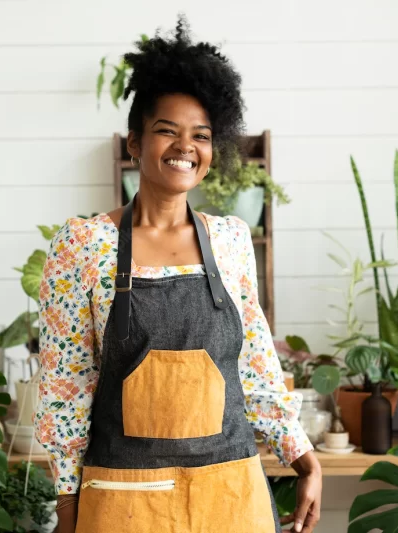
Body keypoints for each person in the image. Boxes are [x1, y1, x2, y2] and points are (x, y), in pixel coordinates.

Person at [35, 17, 322, 533]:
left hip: (231, 494)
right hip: (123, 498)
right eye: (167, 130)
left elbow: (254, 363)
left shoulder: (231, 241)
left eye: (201, 136)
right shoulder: (82, 246)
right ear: (134, 143)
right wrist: (67, 502)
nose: (184, 146)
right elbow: (66, 384)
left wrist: (303, 457)